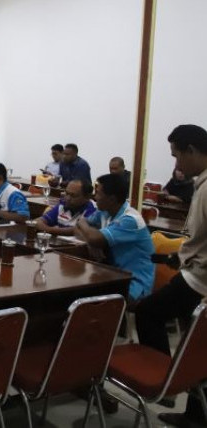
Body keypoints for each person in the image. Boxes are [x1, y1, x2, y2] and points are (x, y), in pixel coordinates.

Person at [135, 124, 207, 427]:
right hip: (195, 273)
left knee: (148, 312)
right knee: (199, 345)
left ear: (191, 151)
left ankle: (164, 382)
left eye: (177, 156)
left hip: (198, 279)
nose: (176, 164)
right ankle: (194, 412)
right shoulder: (202, 183)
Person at [75, 173, 154, 302]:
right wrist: (90, 242)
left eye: (98, 193)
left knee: (83, 296)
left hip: (134, 284)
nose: (95, 197)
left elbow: (92, 235)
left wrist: (86, 229)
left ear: (111, 199)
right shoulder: (104, 211)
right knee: (76, 289)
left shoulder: (130, 220)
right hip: (111, 276)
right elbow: (79, 229)